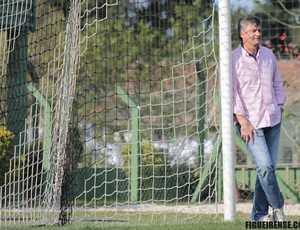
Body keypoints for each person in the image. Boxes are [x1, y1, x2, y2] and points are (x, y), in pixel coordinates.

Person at [232, 15, 286, 221]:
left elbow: (277, 83)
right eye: (253, 31)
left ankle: (259, 216)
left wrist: (280, 105)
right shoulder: (233, 59)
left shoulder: (268, 55)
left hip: (273, 119)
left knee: (266, 170)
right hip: (250, 124)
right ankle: (278, 207)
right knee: (264, 166)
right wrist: (242, 121)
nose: (258, 33)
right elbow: (232, 93)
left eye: (259, 30)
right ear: (242, 34)